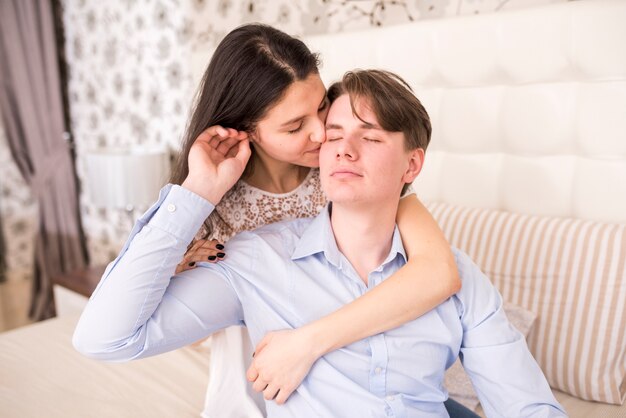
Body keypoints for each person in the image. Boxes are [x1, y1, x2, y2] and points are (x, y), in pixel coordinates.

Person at [73, 68, 566, 417]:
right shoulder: (252, 257)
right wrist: (197, 191)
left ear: (411, 167)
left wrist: (308, 341)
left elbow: (527, 406)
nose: (342, 148)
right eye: (333, 135)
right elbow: (103, 338)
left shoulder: (450, 272)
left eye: (370, 138)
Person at [162, 23, 465, 417]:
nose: (324, 133)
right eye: (294, 126)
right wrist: (173, 268)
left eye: (321, 106)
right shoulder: (208, 204)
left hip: (370, 375)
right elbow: (184, 334)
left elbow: (440, 274)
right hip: (267, 387)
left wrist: (308, 343)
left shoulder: (347, 177)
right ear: (246, 131)